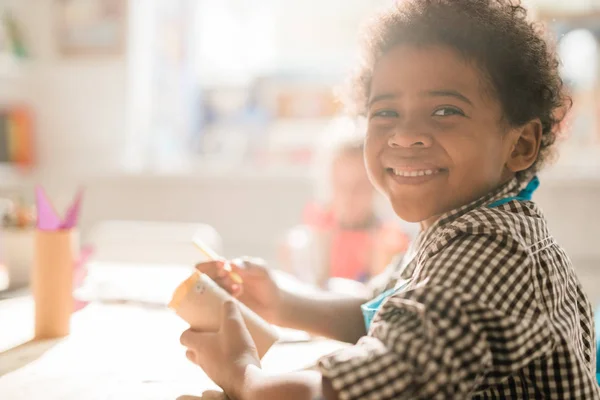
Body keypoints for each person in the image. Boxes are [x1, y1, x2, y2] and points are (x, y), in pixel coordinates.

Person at [179, 1, 600, 398]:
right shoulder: (456, 226)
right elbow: (377, 310)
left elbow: (362, 390)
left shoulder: (493, 249)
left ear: (520, 144)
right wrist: (281, 302)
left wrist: (242, 373)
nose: (404, 134)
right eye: (385, 113)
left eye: (445, 111)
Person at [279, 118, 411, 287]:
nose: (349, 197)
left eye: (360, 186)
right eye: (341, 185)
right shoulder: (304, 243)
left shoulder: (393, 244)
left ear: (378, 186)